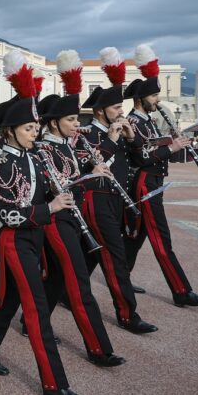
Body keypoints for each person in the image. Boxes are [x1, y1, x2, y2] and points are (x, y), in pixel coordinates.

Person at [0, 87, 88, 395]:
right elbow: (6, 211)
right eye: (28, 129)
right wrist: (49, 208)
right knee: (36, 309)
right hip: (13, 239)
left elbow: (53, 188)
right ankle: (54, 384)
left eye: (36, 128)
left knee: (7, 299)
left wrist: (69, 191)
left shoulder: (36, 156)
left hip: (35, 237)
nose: (34, 133)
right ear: (11, 130)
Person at [34, 51, 125, 368]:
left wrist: (107, 147)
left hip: (73, 217)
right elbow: (63, 183)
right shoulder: (43, 147)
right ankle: (99, 348)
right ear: (54, 122)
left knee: (57, 279)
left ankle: (29, 321)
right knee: (79, 284)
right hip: (56, 221)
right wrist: (89, 176)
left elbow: (85, 165)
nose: (77, 124)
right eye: (71, 120)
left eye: (76, 119)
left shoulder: (64, 143)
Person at [125, 45, 198, 307]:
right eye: (154, 96)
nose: (158, 100)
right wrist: (171, 147)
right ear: (141, 99)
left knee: (135, 237)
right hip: (145, 184)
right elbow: (141, 156)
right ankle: (181, 291)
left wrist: (174, 146)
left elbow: (155, 148)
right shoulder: (134, 121)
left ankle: (121, 277)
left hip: (154, 183)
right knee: (160, 239)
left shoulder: (149, 120)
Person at [77, 47, 158, 334]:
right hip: (96, 201)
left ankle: (60, 294)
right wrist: (111, 140)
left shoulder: (121, 130)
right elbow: (88, 164)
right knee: (116, 258)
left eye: (121, 109)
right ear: (101, 111)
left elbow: (140, 160)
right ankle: (127, 314)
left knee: (86, 259)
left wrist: (133, 138)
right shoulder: (87, 133)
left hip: (117, 201)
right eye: (116, 110)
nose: (120, 114)